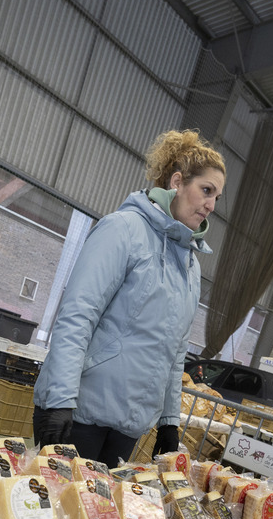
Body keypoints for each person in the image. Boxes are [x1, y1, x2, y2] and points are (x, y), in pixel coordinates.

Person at [32, 130, 226, 465]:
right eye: (206, 190)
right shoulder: (122, 229)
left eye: (217, 197)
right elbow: (78, 316)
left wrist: (168, 423)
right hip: (79, 412)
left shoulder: (190, 265)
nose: (211, 205)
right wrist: (60, 400)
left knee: (100, 517)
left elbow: (175, 351)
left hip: (128, 425)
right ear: (177, 182)